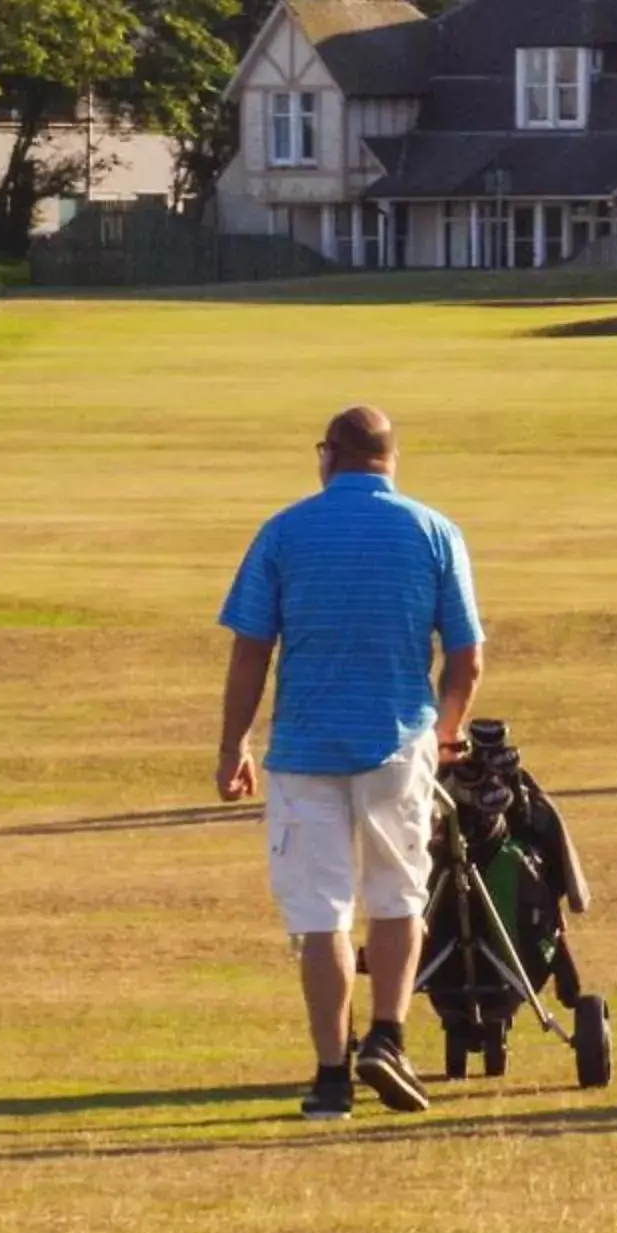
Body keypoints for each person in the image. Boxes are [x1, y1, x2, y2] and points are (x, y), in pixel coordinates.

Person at [215, 406, 485, 1121]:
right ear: (391, 461)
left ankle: (332, 1076)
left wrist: (232, 744)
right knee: (399, 897)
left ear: (329, 456)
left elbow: (250, 650)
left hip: (304, 750)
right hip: (398, 743)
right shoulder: (433, 531)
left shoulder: (284, 531)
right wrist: (448, 733)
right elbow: (467, 656)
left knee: (321, 915)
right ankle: (388, 1038)